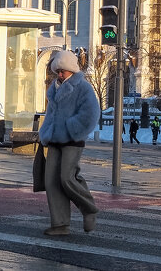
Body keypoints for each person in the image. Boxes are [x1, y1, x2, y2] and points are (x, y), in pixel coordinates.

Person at [38, 49, 101, 236]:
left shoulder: (83, 87)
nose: (59, 74)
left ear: (71, 70)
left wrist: (72, 128)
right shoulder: (54, 87)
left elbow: (91, 113)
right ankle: (60, 224)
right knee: (51, 181)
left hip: (72, 139)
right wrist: (45, 133)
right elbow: (50, 114)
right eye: (57, 71)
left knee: (67, 177)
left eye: (62, 71)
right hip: (54, 139)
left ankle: (89, 208)